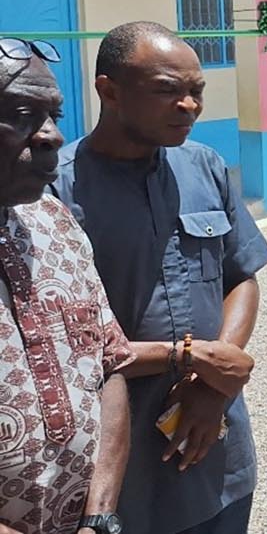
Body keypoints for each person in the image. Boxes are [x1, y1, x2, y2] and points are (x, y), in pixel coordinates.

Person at [52, 22, 267, 534]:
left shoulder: (205, 166)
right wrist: (188, 355)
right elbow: (56, 338)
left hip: (216, 453)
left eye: (196, 91)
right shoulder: (54, 190)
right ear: (108, 90)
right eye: (167, 91)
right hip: (112, 463)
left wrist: (214, 384)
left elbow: (240, 276)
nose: (189, 106)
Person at [0, 38, 135, 534]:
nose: (52, 136)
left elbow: (110, 364)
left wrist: (99, 516)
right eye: (21, 114)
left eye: (53, 115)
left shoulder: (54, 219)